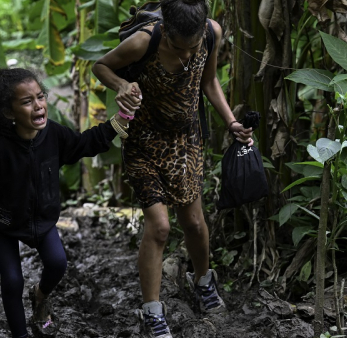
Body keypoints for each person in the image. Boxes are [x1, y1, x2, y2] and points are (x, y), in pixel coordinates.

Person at [0, 68, 133, 338]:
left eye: (40, 97)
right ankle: (20, 334)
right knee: (13, 280)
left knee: (58, 263)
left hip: (42, 221)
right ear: (9, 112)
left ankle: (40, 297)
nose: (38, 105)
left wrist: (119, 121)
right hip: (3, 224)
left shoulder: (54, 135)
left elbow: (85, 143)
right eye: (27, 102)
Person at [92, 0, 254, 337]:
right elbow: (101, 67)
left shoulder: (211, 33)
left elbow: (208, 82)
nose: (189, 52)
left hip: (186, 142)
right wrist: (121, 86)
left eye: (195, 45)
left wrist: (231, 122)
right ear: (166, 30)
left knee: (194, 223)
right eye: (182, 46)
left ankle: (203, 282)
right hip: (144, 142)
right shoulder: (143, 42)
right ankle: (152, 311)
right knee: (160, 228)